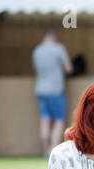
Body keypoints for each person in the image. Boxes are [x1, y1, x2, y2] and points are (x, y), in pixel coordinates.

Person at [32, 28, 73, 157]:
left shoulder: (37, 51)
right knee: (59, 120)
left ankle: (45, 149)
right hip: (56, 90)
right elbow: (69, 69)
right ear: (54, 37)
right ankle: (52, 150)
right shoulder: (58, 49)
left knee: (45, 120)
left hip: (40, 89)